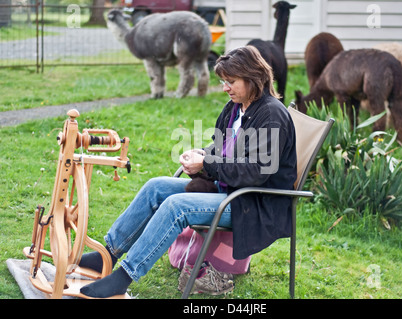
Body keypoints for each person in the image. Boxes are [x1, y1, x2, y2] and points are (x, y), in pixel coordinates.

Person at [79, 45, 298, 298]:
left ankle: (124, 276)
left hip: (253, 204)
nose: (225, 88)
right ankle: (107, 254)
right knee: (156, 187)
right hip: (231, 190)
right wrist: (202, 154)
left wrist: (207, 165)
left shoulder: (270, 114)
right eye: (223, 81)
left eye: (231, 81)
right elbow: (220, 146)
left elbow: (256, 172)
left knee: (176, 206)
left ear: (253, 78)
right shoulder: (236, 106)